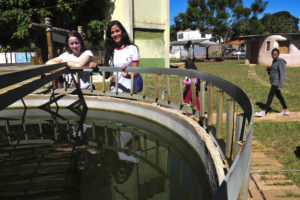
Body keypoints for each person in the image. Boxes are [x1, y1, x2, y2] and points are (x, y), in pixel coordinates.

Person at [90, 20, 139, 93]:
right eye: (112, 33)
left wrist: (128, 74)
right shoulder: (109, 51)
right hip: (114, 92)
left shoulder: (132, 49)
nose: (115, 34)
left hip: (130, 92)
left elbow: (136, 72)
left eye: (117, 31)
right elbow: (106, 75)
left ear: (122, 31)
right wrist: (97, 67)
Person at [256, 48, 290, 117]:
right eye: (273, 54)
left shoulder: (281, 62)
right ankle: (286, 110)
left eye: (276, 54)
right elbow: (274, 71)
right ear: (271, 54)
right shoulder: (274, 61)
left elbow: (282, 74)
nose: (274, 55)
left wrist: (280, 86)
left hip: (276, 83)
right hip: (274, 82)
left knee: (270, 96)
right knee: (279, 96)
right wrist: (270, 71)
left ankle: (264, 111)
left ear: (278, 55)